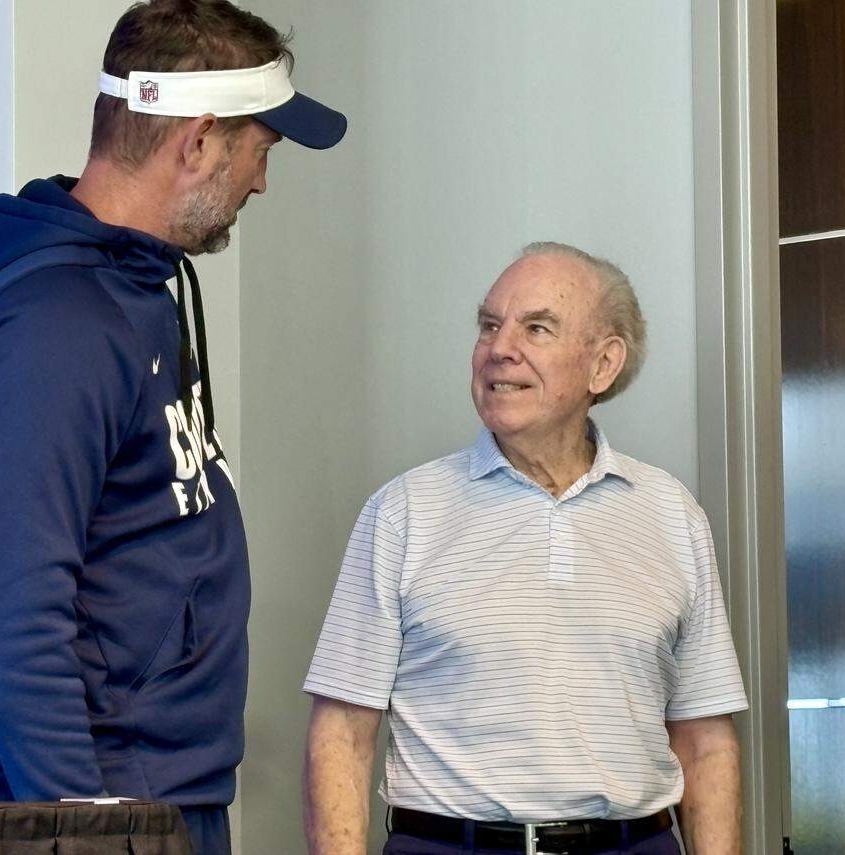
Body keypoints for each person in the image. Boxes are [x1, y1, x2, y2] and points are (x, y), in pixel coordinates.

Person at [0, 2, 345, 852]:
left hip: (156, 795)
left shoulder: (134, 295)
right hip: (89, 809)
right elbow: (17, 618)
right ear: (196, 142)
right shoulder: (58, 328)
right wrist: (86, 832)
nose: (261, 182)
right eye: (258, 150)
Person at [303, 242, 748, 855]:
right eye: (490, 325)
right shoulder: (403, 511)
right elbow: (342, 735)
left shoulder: (672, 513)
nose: (498, 347)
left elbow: (705, 739)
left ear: (603, 364)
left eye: (536, 327)